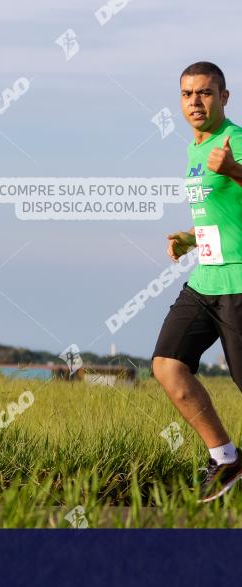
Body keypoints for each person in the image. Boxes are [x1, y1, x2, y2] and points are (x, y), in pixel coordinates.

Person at [153, 61, 242, 502]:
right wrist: (191, 238)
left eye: (205, 93)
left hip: (239, 282)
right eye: (188, 94)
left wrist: (234, 170)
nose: (195, 101)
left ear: (224, 97)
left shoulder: (237, 142)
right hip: (205, 279)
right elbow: (223, 213)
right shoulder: (194, 151)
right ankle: (226, 457)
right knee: (167, 364)